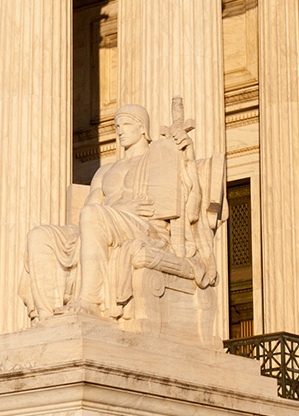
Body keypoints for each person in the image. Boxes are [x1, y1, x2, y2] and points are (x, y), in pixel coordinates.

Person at [21, 102, 214, 323]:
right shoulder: (104, 172)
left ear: (143, 128)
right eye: (117, 125)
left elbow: (189, 193)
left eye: (126, 124)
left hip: (146, 228)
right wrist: (121, 208)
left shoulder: (159, 158)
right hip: (106, 222)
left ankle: (90, 301)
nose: (120, 130)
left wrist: (187, 156)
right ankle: (48, 319)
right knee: (39, 235)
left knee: (94, 215)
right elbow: (86, 211)